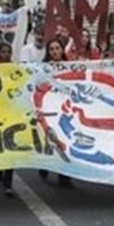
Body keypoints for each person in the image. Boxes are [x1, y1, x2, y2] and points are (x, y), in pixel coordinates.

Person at [39, 39, 74, 189]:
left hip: (64, 111)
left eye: (57, 48)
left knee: (65, 140)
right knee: (50, 139)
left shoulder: (70, 68)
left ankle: (64, 175)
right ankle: (45, 165)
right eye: (51, 49)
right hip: (49, 109)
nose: (54, 52)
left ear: (62, 50)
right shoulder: (42, 69)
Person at [0, 43, 16, 196]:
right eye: (3, 52)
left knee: (11, 146)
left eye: (8, 52)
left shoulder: (15, 69)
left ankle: (8, 182)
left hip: (11, 112)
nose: (6, 54)